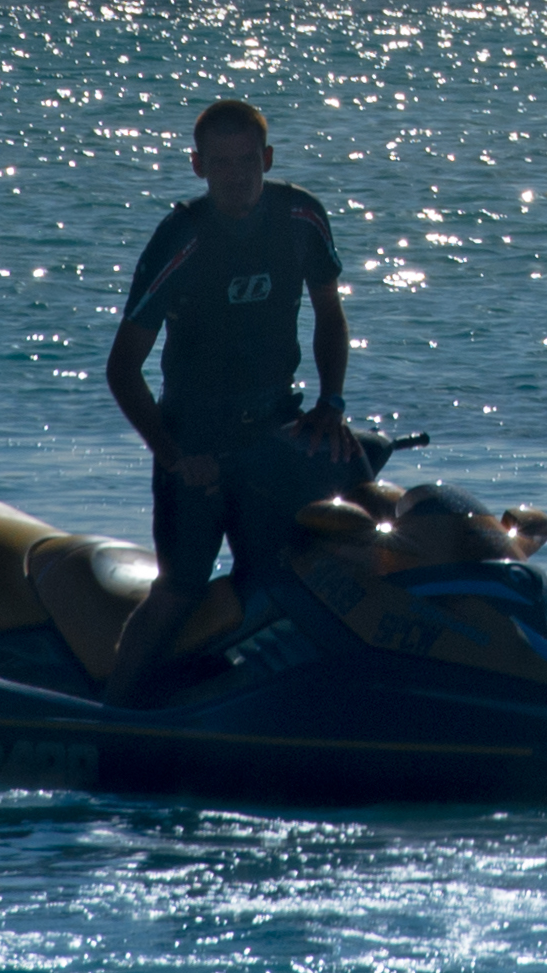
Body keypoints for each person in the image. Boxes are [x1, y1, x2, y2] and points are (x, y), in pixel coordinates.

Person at [101, 97, 360, 702]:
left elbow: (329, 312)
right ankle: (113, 713)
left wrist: (333, 403)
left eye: (247, 161)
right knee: (181, 588)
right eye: (221, 163)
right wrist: (172, 456)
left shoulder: (302, 217)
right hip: (195, 441)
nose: (236, 176)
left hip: (276, 431)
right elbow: (122, 369)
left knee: (311, 569)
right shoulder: (181, 237)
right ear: (198, 167)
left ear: (267, 159)